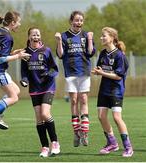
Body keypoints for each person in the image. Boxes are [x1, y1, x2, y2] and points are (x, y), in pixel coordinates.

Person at [55, 10, 96, 147]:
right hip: (70, 72)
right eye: (76, 20)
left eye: (81, 20)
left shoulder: (86, 35)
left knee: (83, 99)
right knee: (73, 101)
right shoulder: (64, 35)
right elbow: (60, 55)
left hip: (84, 71)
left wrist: (90, 39)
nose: (79, 23)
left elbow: (90, 53)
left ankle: (85, 132)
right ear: (71, 21)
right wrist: (59, 41)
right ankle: (76, 132)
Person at [91, 27, 133, 157]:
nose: (101, 38)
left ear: (112, 38)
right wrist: (96, 71)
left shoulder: (120, 55)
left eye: (104, 36)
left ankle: (128, 147)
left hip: (116, 91)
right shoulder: (103, 53)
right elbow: (100, 69)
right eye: (101, 35)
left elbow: (118, 76)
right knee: (101, 116)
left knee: (116, 117)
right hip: (104, 90)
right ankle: (112, 143)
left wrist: (102, 72)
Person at [20, 27, 60, 157]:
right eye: (33, 34)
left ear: (40, 36)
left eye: (38, 34)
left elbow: (55, 69)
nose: (36, 36)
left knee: (45, 113)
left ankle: (55, 142)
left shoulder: (46, 50)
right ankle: (44, 147)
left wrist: (49, 74)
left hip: (48, 86)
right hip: (34, 89)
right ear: (29, 37)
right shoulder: (25, 53)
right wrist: (24, 80)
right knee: (38, 118)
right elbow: (24, 71)